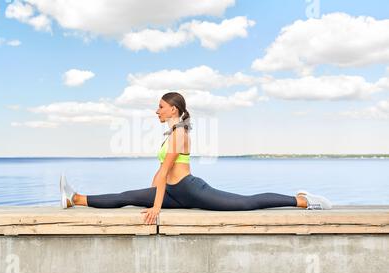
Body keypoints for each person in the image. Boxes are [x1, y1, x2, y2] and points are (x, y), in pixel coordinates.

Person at [59, 92, 332, 225]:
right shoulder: (171, 133)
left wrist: (155, 207)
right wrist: (153, 193)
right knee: (128, 195)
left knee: (247, 204)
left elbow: (168, 172)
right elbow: (161, 172)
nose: (157, 111)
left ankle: (303, 201)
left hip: (191, 190)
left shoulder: (179, 135)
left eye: (161, 107)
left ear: (173, 109)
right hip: (174, 192)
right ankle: (76, 198)